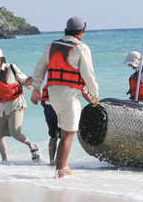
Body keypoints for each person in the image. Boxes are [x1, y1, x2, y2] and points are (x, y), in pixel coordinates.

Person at [31, 16, 99, 178]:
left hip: (53, 94)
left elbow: (40, 68)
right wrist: (95, 93)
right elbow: (88, 74)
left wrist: (36, 89)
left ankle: (64, 166)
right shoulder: (81, 48)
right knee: (68, 133)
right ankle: (60, 171)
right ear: (81, 32)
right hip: (69, 95)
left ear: (66, 30)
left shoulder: (51, 46)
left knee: (64, 131)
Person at [0, 47, 40, 162]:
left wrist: (30, 83)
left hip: (15, 105)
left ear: (1, 58)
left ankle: (32, 146)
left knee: (15, 133)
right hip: (0, 108)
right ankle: (4, 161)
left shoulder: (11, 68)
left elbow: (23, 79)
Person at [38, 74, 60, 164]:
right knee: (64, 136)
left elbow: (37, 78)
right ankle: (58, 161)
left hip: (48, 107)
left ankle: (52, 161)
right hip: (59, 106)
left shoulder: (46, 70)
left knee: (54, 136)